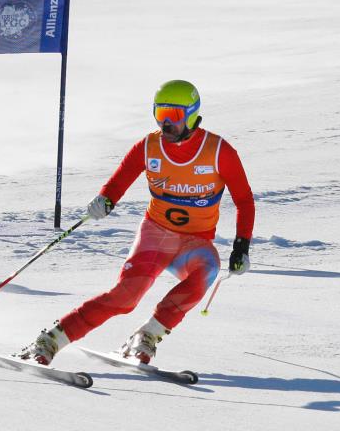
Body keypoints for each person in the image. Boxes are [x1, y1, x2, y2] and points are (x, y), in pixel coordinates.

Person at [16, 80, 255, 365]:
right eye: (160, 113)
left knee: (208, 269)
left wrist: (241, 247)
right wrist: (105, 200)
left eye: (175, 115)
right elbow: (121, 178)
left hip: (194, 242)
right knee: (125, 298)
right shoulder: (149, 146)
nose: (166, 123)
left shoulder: (218, 151)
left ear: (192, 115)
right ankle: (50, 340)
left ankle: (147, 336)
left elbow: (244, 200)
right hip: (156, 235)